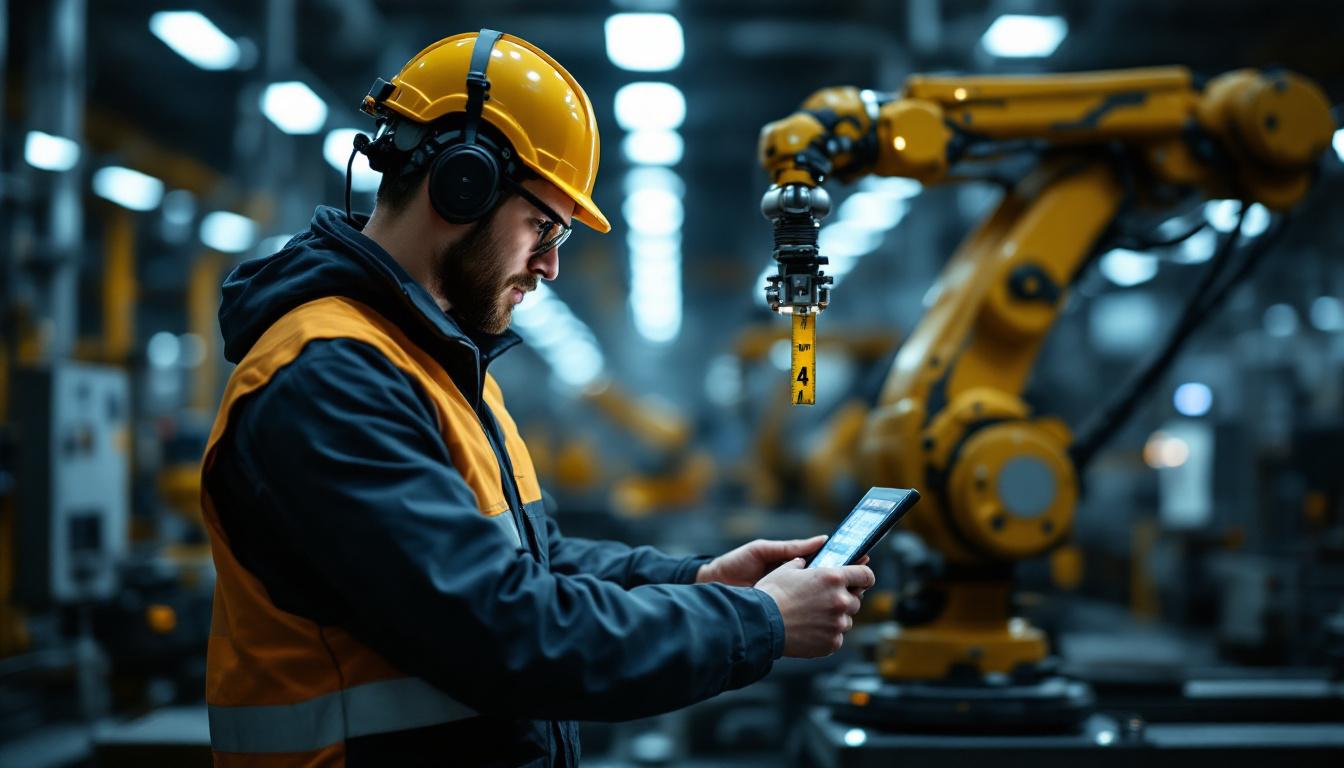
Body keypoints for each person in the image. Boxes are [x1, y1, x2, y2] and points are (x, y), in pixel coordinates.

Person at [199, 29, 874, 767]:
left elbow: (534, 561)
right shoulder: (329, 378)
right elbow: (506, 633)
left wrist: (699, 577)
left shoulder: (433, 361)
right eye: (543, 225)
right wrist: (758, 622)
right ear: (463, 183)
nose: (550, 264)